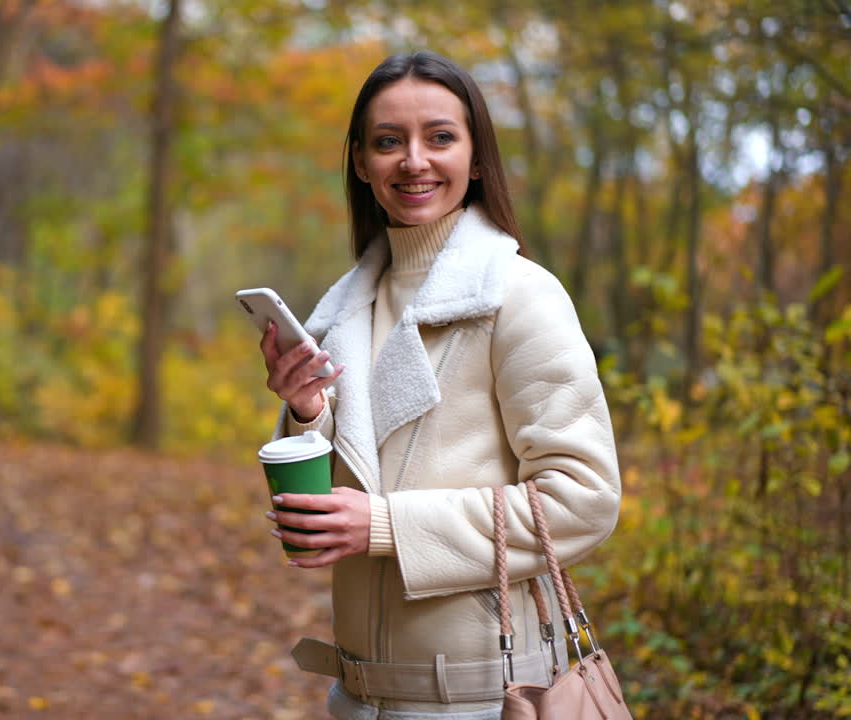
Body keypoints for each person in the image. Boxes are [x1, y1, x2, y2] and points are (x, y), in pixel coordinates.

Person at [257, 51, 622, 720]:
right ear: (362, 162)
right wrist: (307, 413)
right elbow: (354, 489)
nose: (414, 160)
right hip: (357, 698)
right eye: (389, 141)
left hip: (485, 698)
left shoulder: (520, 297)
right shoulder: (343, 311)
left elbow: (585, 499)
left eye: (441, 137)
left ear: (477, 158)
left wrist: (390, 527)